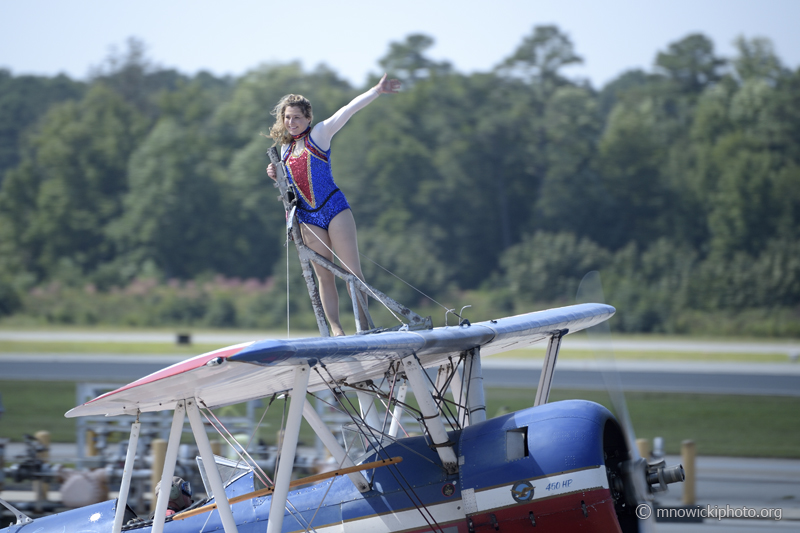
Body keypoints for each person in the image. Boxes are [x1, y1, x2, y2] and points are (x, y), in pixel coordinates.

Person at [267, 73, 401, 336]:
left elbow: (348, 110)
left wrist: (376, 90)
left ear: (308, 118)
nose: (291, 122)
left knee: (353, 273)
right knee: (324, 277)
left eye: (296, 117)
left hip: (334, 208)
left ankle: (363, 326)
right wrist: (274, 174)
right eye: (287, 117)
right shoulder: (283, 150)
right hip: (308, 218)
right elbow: (289, 187)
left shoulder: (320, 134)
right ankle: (337, 331)